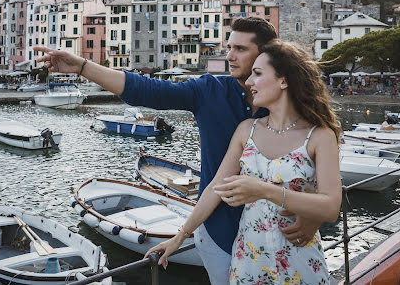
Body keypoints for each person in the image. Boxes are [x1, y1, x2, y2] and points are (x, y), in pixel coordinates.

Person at [34, 17, 322, 284]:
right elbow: (147, 90)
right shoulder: (209, 90)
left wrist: (314, 215)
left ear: (265, 54)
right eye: (228, 47)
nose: (229, 55)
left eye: (240, 49)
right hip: (219, 233)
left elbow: (315, 163)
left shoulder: (294, 107)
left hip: (284, 234)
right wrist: (83, 67)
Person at [145, 40, 342, 284]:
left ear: (284, 80)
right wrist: (180, 237)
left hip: (299, 261)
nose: (249, 82)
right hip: (249, 261)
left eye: (257, 74)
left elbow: (331, 207)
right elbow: (216, 187)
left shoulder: (320, 136)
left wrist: (265, 191)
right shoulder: (245, 130)